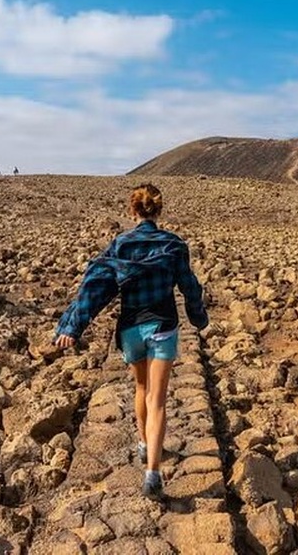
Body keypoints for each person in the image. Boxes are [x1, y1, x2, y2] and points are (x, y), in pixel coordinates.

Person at [54, 183, 208, 500]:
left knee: (141, 389)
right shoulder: (174, 244)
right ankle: (153, 472)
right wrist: (198, 317)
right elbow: (189, 286)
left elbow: (96, 286)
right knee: (158, 400)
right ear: (159, 210)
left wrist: (72, 326)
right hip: (163, 326)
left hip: (131, 329)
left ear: (132, 210)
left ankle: (143, 443)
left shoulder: (120, 245)